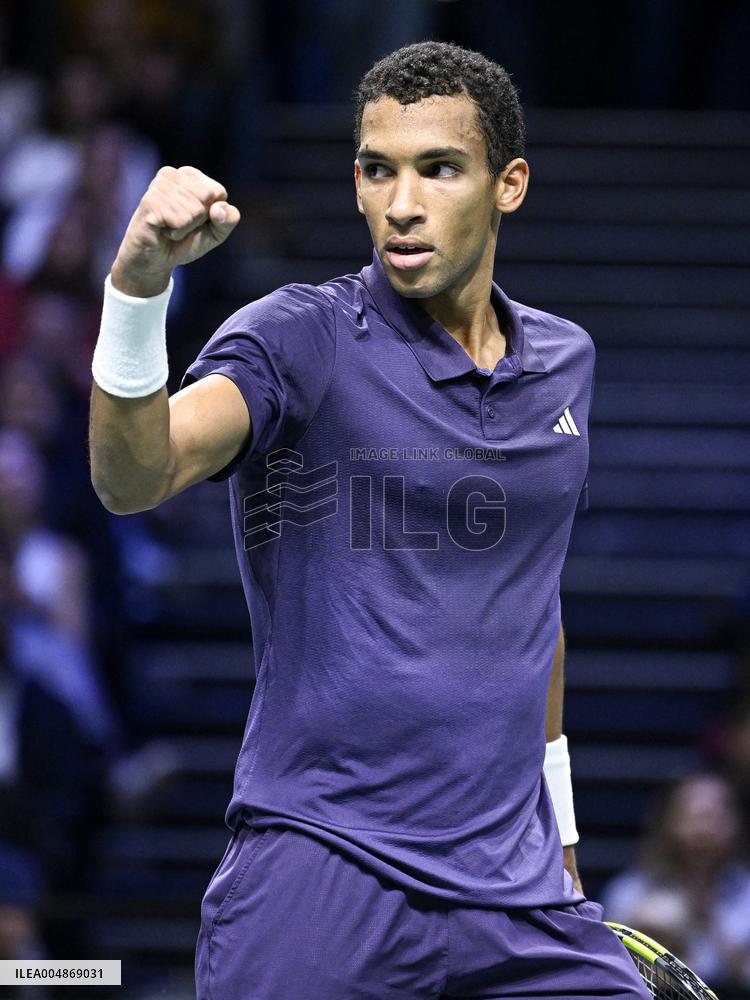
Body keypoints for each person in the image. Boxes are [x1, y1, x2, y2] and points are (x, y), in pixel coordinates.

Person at [89, 40, 651, 1000]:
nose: (401, 203)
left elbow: (531, 602)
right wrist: (139, 288)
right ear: (355, 183)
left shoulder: (566, 361)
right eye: (379, 170)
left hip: (516, 900)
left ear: (507, 185)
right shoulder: (296, 337)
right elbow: (136, 475)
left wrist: (559, 838)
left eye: (439, 169)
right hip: (319, 873)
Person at [602, 772, 750, 993]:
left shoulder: (746, 892)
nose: (703, 830)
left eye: (715, 817)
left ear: (736, 824)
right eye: (694, 815)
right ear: (667, 821)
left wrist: (708, 919)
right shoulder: (629, 892)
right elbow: (609, 975)